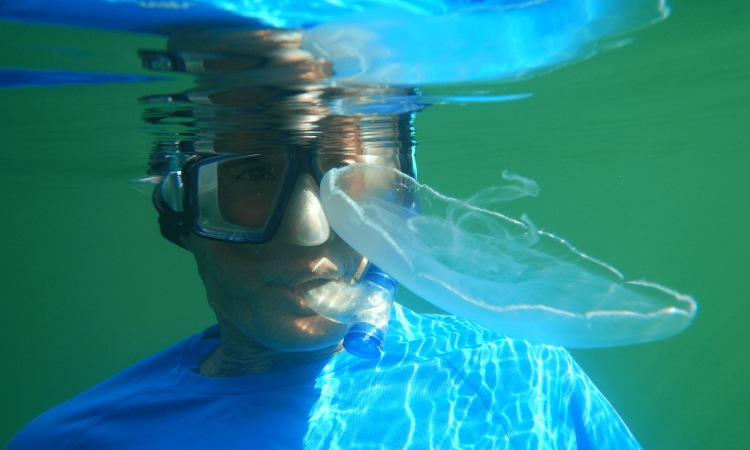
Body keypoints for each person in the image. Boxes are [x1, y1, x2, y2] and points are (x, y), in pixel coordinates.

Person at [7, 27, 642, 450]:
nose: (311, 231)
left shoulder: (531, 378)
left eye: (352, 175)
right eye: (251, 173)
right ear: (176, 204)